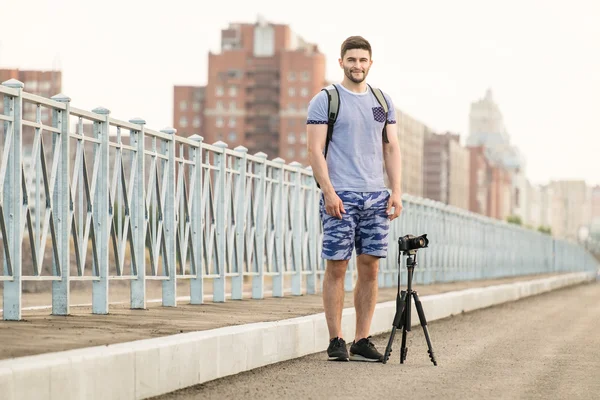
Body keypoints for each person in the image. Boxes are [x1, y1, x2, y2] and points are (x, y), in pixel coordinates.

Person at [306, 36, 403, 362]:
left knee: (371, 268)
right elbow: (314, 151)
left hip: (376, 197)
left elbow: (391, 148)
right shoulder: (325, 100)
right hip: (341, 197)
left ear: (370, 63)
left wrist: (397, 191)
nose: (357, 65)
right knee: (337, 266)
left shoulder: (382, 101)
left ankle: (362, 339)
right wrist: (329, 192)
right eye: (352, 60)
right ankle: (336, 339)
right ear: (341, 62)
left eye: (363, 60)